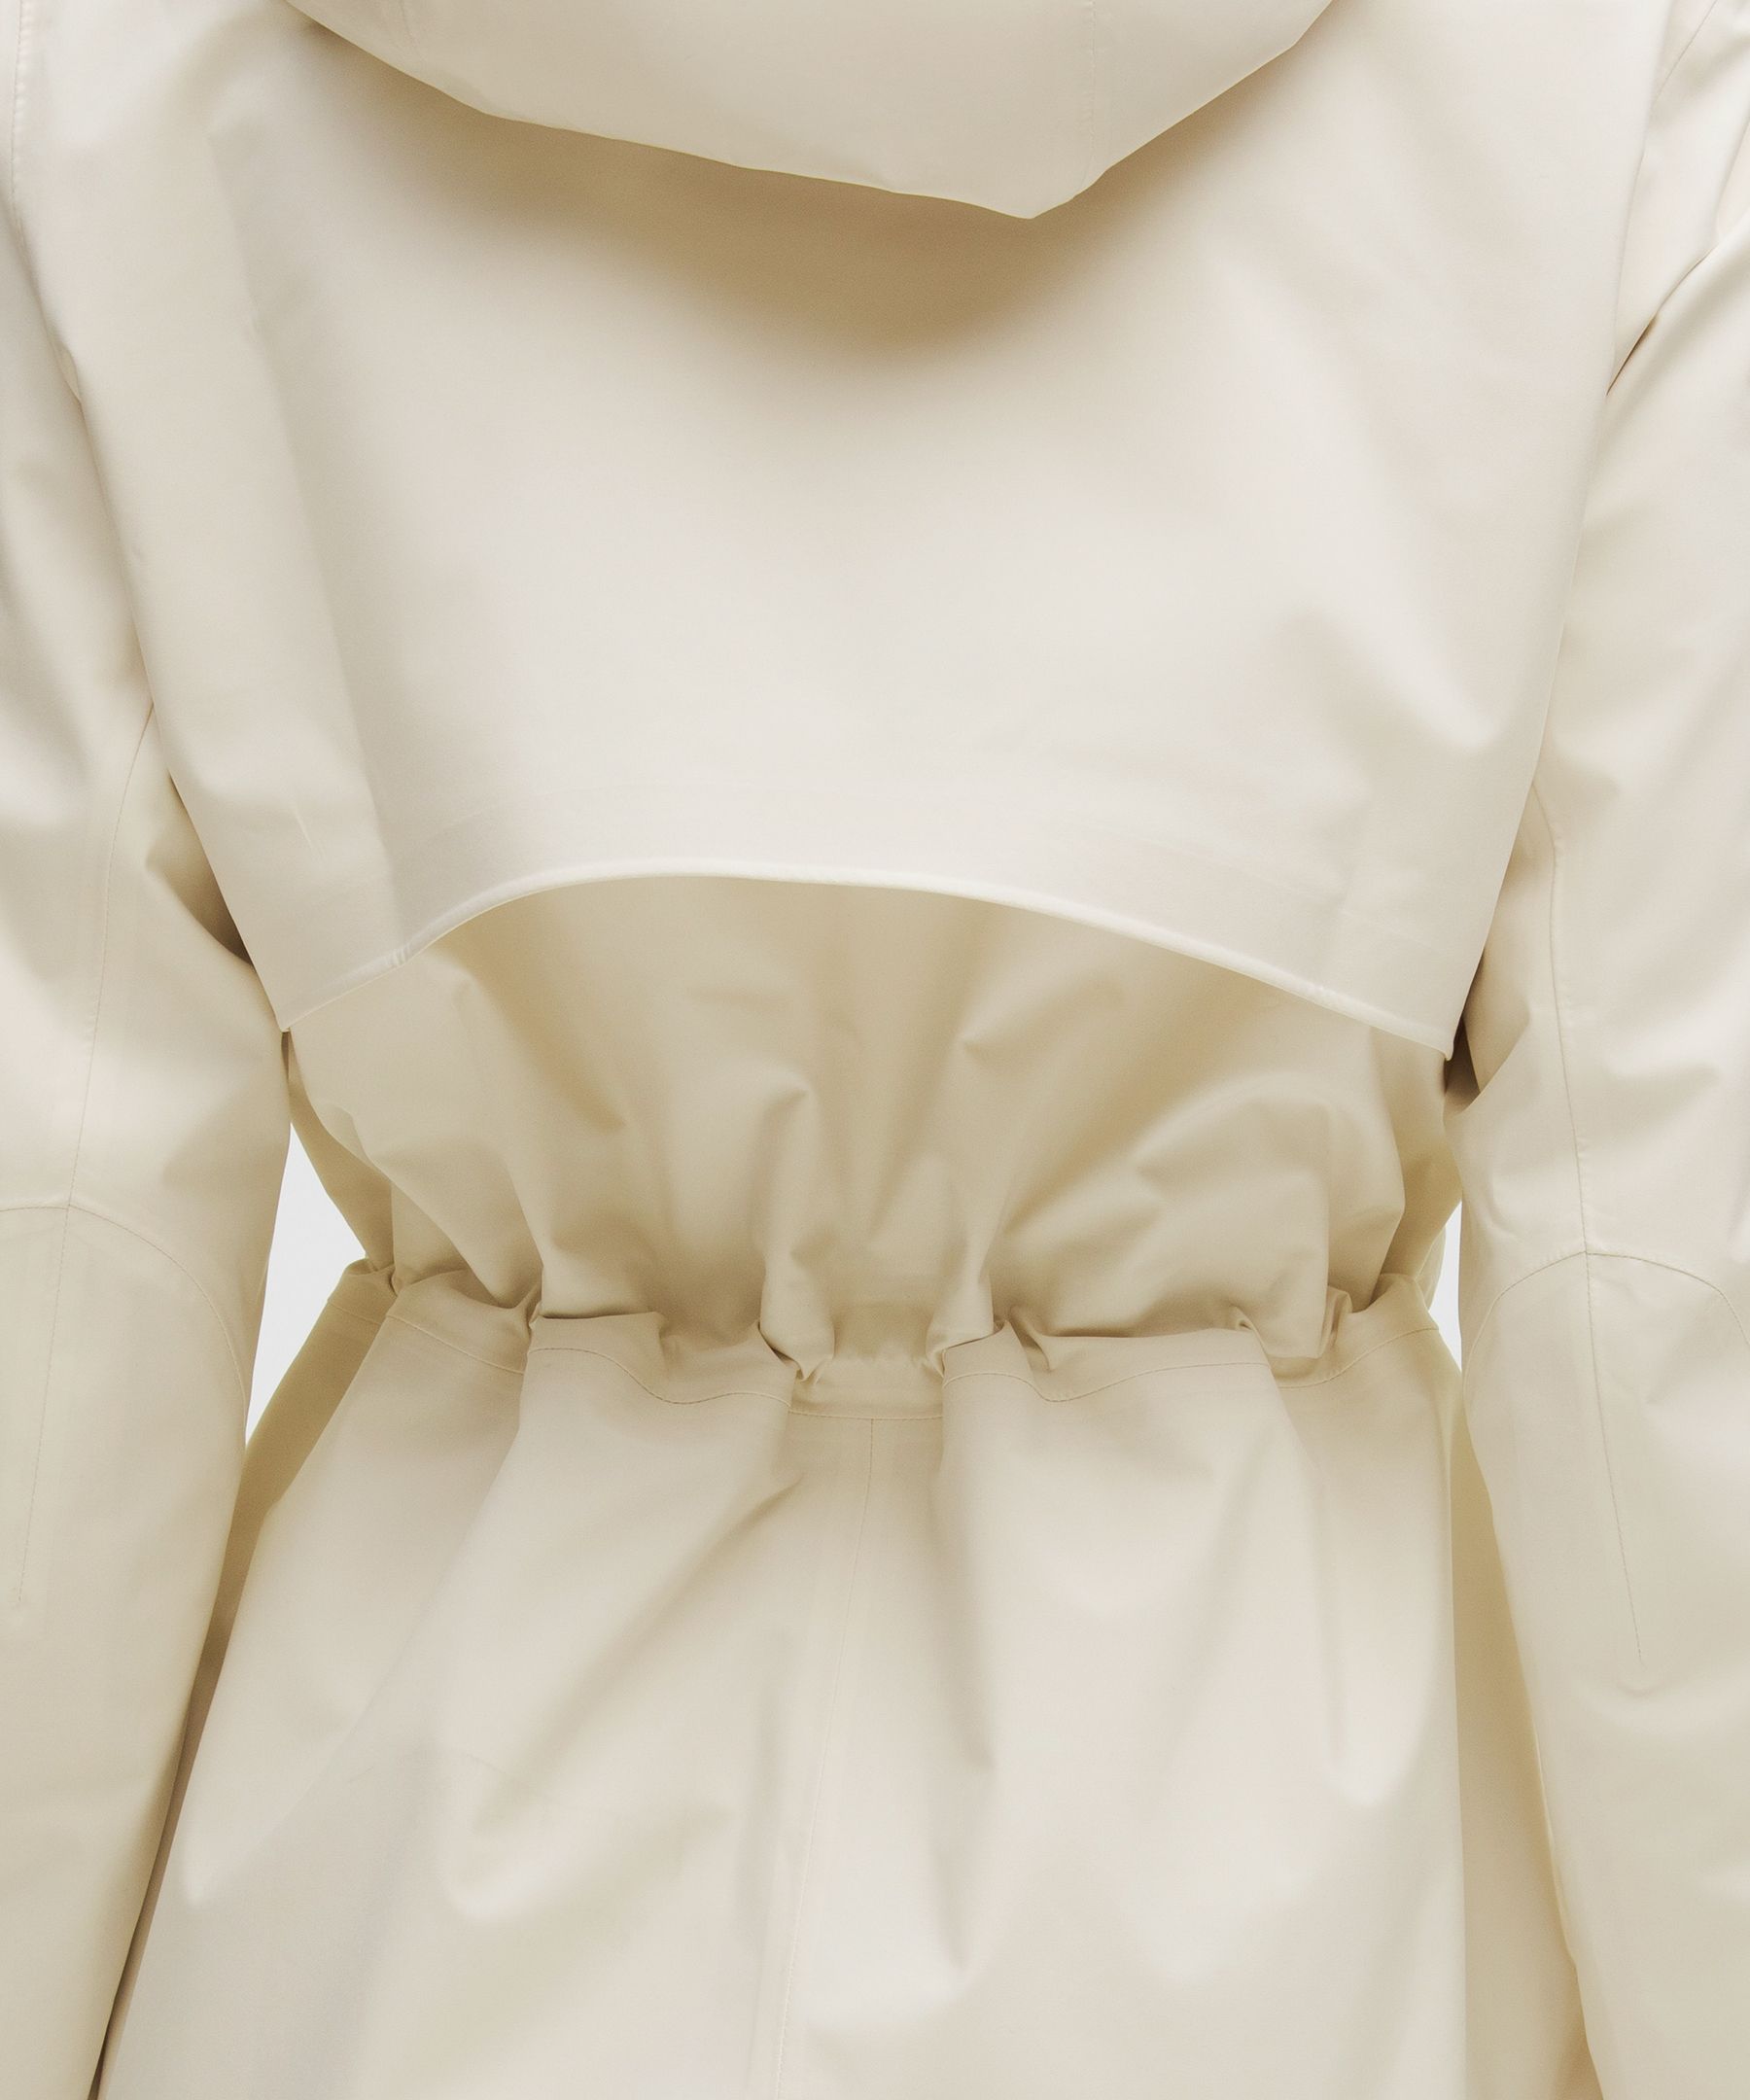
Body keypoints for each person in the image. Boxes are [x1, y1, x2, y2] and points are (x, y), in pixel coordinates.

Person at [2, 2, 1746, 2093]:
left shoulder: (118, 68)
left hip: (383, 1909)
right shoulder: (1608, 72)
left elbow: (56, 1279)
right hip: (1302, 1920)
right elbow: (1672, 1305)